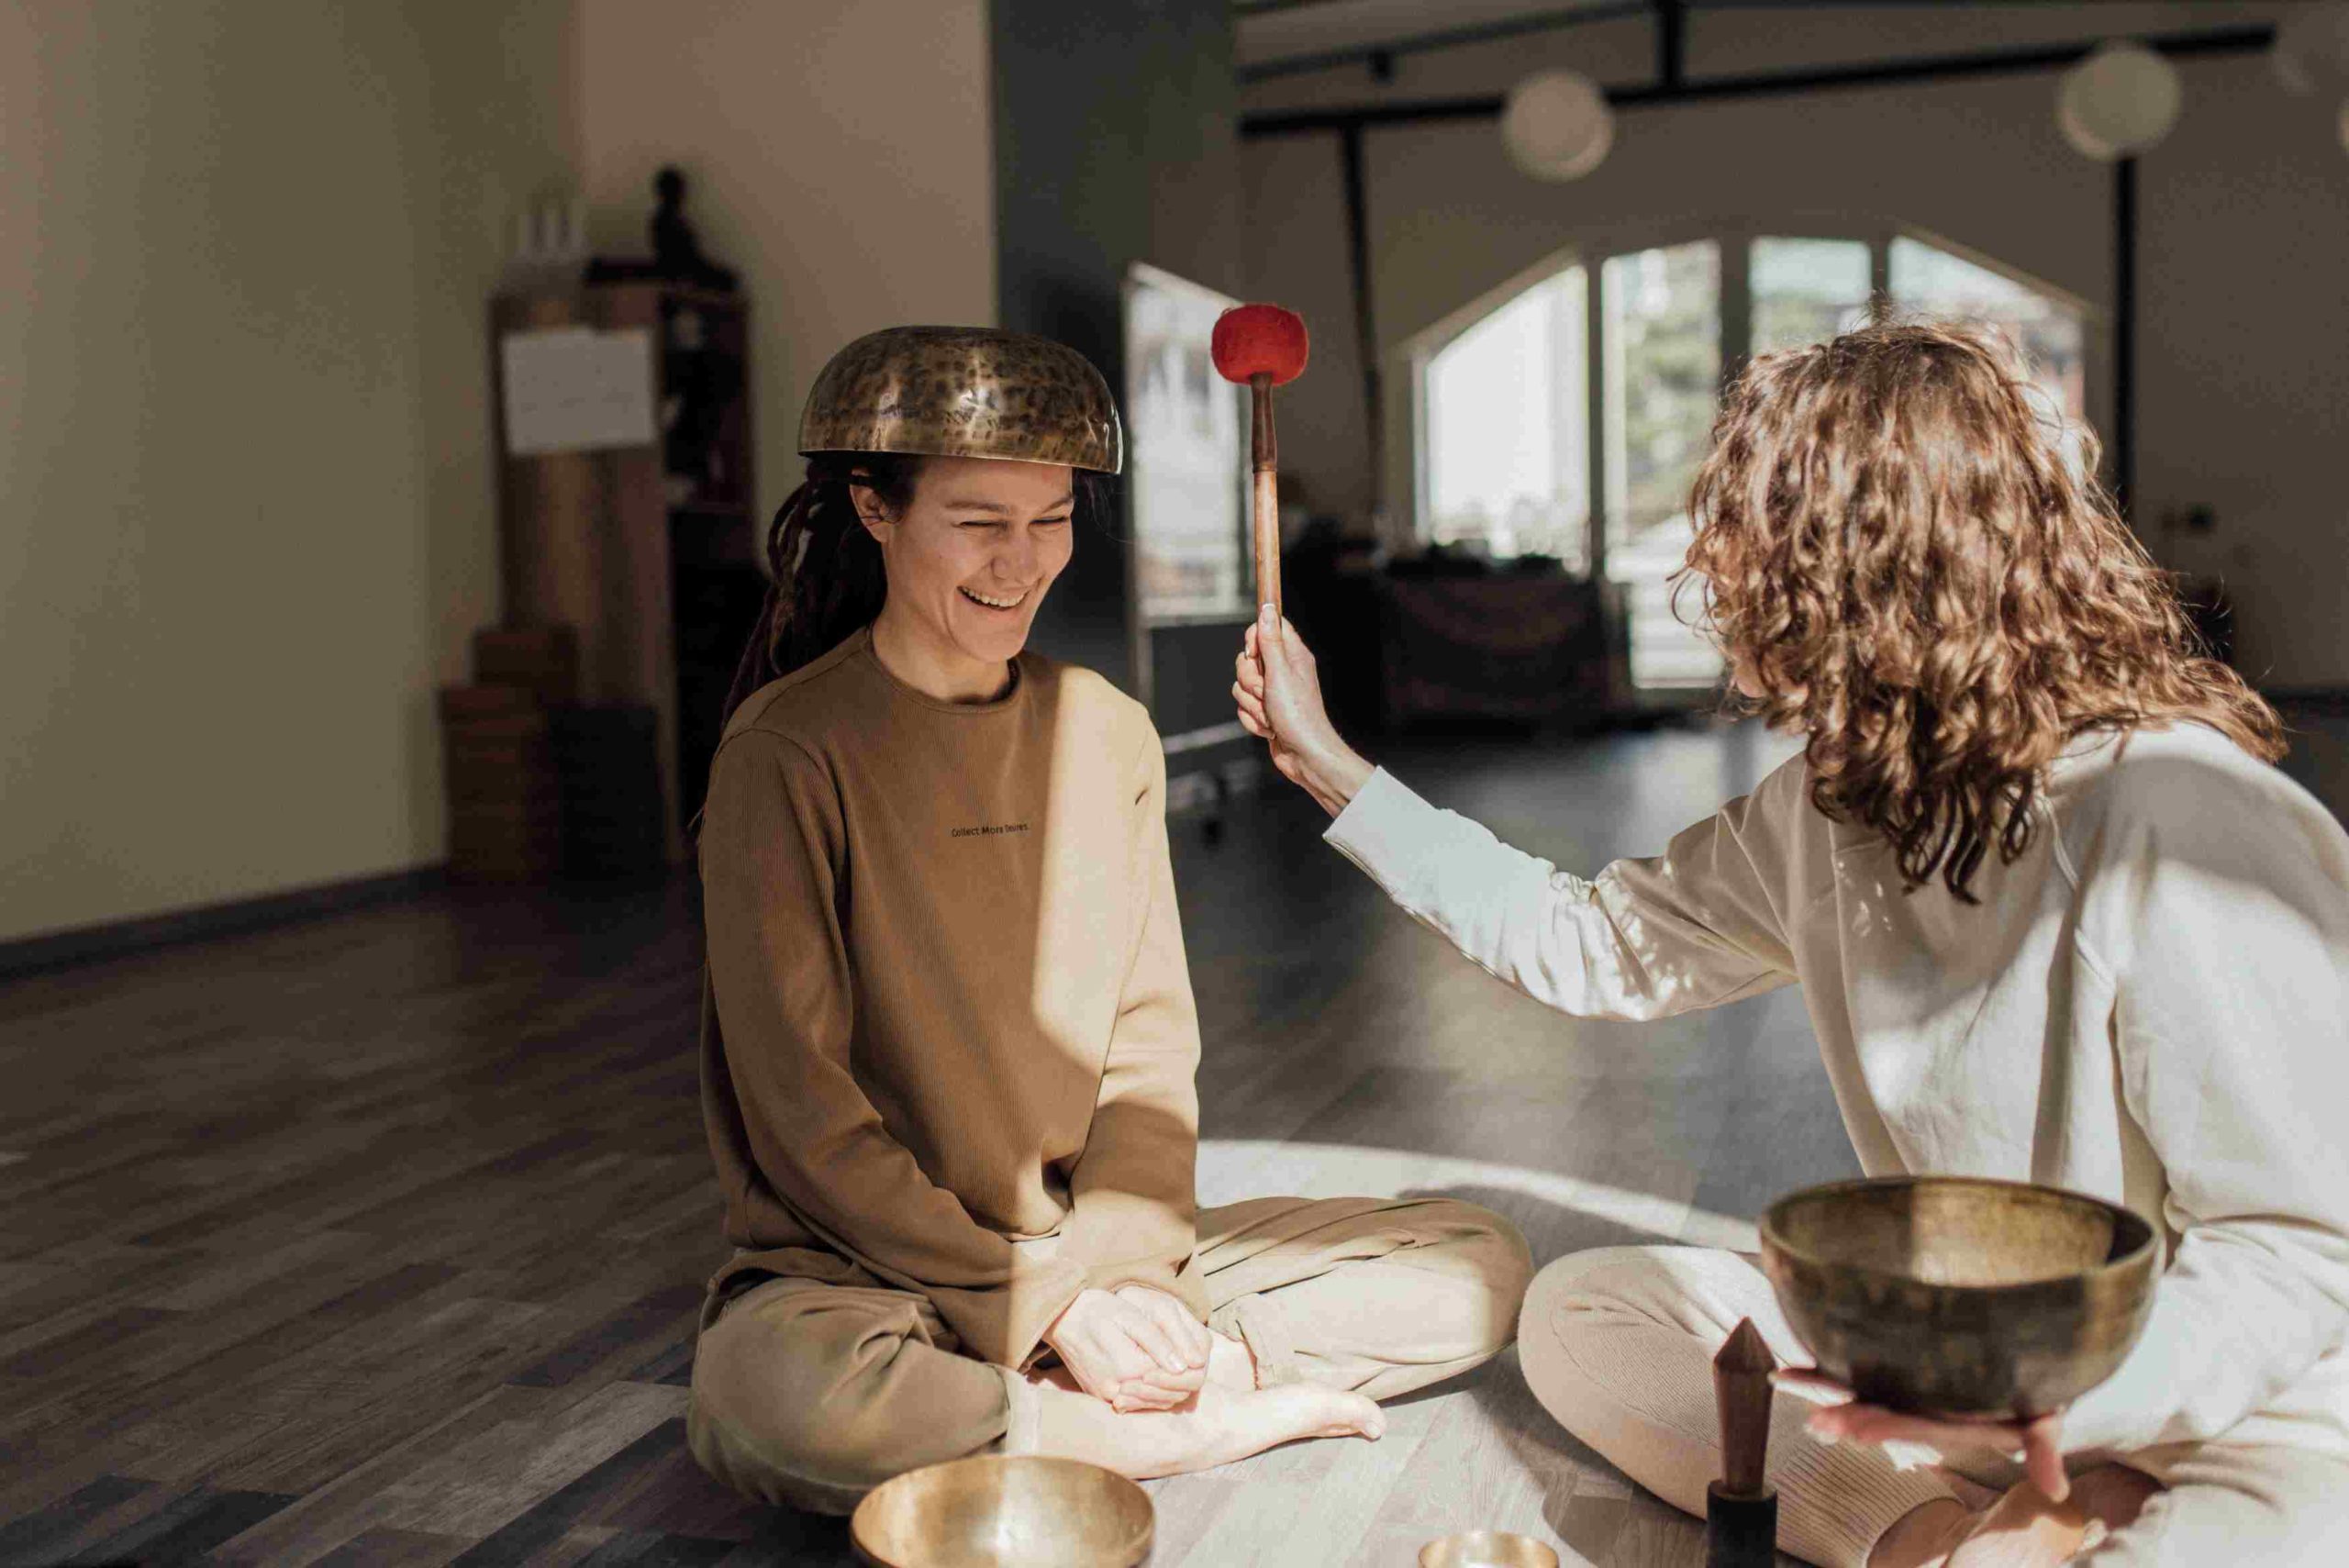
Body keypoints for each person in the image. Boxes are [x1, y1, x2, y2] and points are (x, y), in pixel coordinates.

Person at [1233, 321, 2349, 1566]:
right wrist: (1334, 771)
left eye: (1755, 548)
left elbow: (2299, 1252)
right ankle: (1932, 1536)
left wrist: (2055, 1409)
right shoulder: (1826, 809)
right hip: (1964, 1388)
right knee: (1585, 1311)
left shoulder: (2184, 815)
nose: (1723, 588)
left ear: (1872, 566)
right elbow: (1593, 940)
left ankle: (2052, 1517)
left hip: (2235, 1419)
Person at [687, 326, 1531, 1515]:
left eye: (1052, 518)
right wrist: (1045, 1302)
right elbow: (804, 1120)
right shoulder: (784, 752)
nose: (1022, 563)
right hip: (872, 1274)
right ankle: (1162, 1422)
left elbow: (1147, 1056)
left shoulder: (1109, 731)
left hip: (1095, 1246)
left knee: (1480, 1265)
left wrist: (1122, 1279)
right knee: (762, 1393)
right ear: (875, 509)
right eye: (980, 521)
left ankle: (1068, 1413)